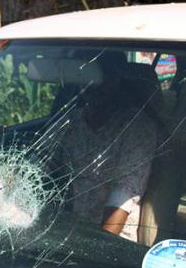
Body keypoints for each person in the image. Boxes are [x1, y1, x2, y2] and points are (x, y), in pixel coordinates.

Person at [58, 57, 158, 243]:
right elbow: (41, 163)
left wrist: (94, 250)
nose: (93, 85)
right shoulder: (69, 122)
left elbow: (123, 197)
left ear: (116, 79)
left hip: (111, 244)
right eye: (85, 76)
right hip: (63, 232)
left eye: (101, 78)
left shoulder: (137, 128)